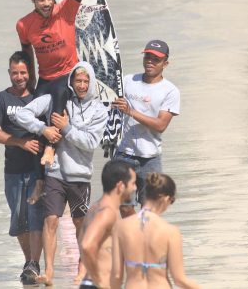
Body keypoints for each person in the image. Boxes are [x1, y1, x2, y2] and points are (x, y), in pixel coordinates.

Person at [15, 61, 108, 286]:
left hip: (80, 175)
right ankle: (49, 272)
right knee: (51, 220)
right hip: (55, 172)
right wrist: (43, 128)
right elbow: (22, 114)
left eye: (86, 81)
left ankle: (83, 267)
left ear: (92, 82)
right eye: (78, 80)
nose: (82, 85)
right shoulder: (57, 100)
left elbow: (90, 142)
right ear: (71, 82)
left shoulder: (99, 110)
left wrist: (66, 128)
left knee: (79, 223)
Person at [16, 0, 86, 166]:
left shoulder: (64, 11)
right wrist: (30, 88)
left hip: (68, 72)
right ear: (33, 0)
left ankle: (51, 149)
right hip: (45, 77)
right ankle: (38, 174)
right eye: (41, 0)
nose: (46, 4)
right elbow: (27, 56)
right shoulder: (24, 25)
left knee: (58, 96)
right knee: (32, 116)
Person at [0, 51, 45, 284]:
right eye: (14, 73)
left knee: (35, 217)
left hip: (37, 170)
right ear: (9, 73)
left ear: (29, 73)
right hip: (12, 170)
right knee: (18, 220)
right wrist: (19, 142)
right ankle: (29, 260)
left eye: (23, 72)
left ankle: (34, 264)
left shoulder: (40, 97)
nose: (19, 77)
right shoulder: (1, 99)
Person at [112, 40, 180, 217]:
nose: (150, 61)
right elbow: (109, 104)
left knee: (150, 211)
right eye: (147, 57)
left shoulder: (170, 91)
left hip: (150, 159)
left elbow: (161, 125)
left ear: (165, 63)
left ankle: (145, 241)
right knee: (125, 207)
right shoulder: (128, 81)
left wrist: (130, 111)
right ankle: (133, 240)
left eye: (156, 59)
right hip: (123, 153)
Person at [111, 173, 200, 289]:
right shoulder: (171, 232)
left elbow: (117, 276)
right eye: (171, 201)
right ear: (166, 199)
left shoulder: (121, 227)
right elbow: (179, 279)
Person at [78, 160, 137, 289]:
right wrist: (99, 280)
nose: (135, 188)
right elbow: (87, 245)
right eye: (133, 183)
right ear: (121, 186)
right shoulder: (107, 212)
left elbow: (82, 241)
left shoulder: (95, 207)